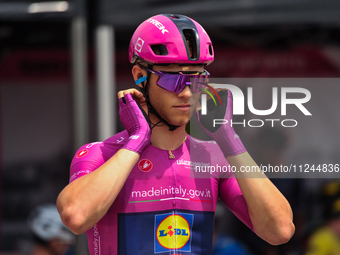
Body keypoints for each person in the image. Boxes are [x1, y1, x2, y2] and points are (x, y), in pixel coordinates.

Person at [56, 14, 295, 255]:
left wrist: (228, 138)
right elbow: (75, 217)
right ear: (140, 75)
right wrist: (137, 139)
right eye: (173, 80)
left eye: (197, 79)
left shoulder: (212, 157)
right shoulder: (101, 153)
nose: (187, 93)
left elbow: (280, 231)